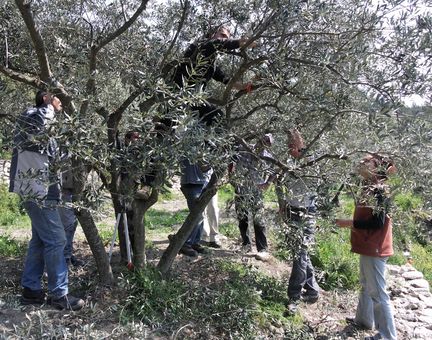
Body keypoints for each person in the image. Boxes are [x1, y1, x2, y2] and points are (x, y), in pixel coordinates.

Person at [9, 90, 84, 310]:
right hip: (35, 191)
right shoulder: (32, 116)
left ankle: (31, 291)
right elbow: (41, 123)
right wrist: (50, 105)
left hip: (45, 191)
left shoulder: (48, 128)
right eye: (56, 98)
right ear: (46, 98)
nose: (61, 102)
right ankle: (59, 295)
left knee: (40, 240)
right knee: (57, 240)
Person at [336, 154, 397, 340]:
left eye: (366, 161)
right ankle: (363, 320)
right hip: (368, 245)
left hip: (375, 246)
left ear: (376, 166)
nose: (361, 163)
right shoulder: (368, 185)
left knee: (378, 292)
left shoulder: (379, 189)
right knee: (365, 284)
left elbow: (378, 222)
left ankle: (387, 336)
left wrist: (349, 223)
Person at [170, 25, 256, 126]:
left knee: (218, 120)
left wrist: (244, 86)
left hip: (192, 98)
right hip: (175, 94)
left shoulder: (211, 63)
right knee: (163, 128)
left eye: (226, 38)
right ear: (212, 34)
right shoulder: (202, 45)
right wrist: (245, 42)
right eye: (222, 35)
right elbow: (217, 44)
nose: (224, 39)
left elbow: (225, 79)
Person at [282, 129, 320, 315]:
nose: (289, 146)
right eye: (288, 142)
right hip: (292, 210)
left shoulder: (310, 161)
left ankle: (294, 297)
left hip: (306, 212)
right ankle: (312, 291)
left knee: (300, 253)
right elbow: (283, 184)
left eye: (292, 142)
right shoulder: (289, 161)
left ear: (300, 143)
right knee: (301, 253)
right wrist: (283, 207)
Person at [230, 134, 275, 261]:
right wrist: (231, 176)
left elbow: (274, 171)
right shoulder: (244, 149)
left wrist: (267, 183)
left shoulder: (268, 157)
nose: (265, 143)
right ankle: (246, 245)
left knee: (258, 220)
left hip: (256, 192)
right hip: (241, 189)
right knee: (242, 218)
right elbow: (231, 159)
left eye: (268, 142)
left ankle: (263, 249)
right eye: (264, 140)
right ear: (259, 139)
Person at [179, 158, 212, 257]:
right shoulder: (190, 145)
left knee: (200, 214)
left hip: (202, 183)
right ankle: (186, 243)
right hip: (191, 183)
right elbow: (203, 167)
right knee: (197, 215)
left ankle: (195, 242)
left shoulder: (207, 144)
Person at [59, 168, 83, 267]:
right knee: (68, 225)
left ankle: (67, 255)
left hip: (70, 189)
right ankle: (65, 259)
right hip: (65, 189)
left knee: (71, 224)